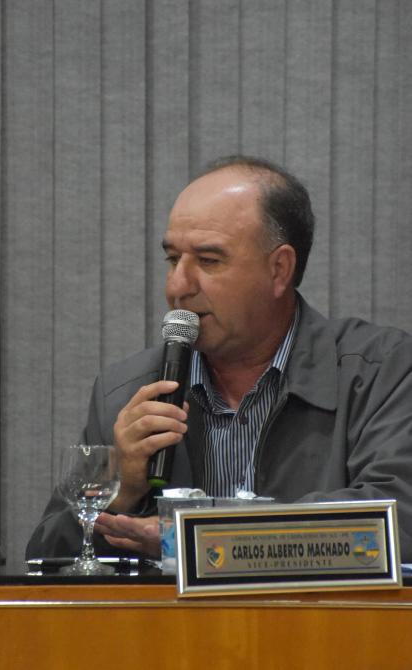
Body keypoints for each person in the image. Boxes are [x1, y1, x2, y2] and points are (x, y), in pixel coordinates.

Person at [26, 155, 412, 562]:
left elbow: (399, 519)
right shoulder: (126, 393)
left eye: (209, 261)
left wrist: (197, 539)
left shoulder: (379, 373)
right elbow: (45, 560)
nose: (177, 286)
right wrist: (120, 489)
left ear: (279, 269)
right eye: (173, 259)